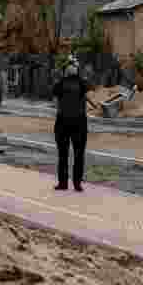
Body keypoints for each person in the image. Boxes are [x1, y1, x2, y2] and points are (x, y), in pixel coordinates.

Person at [51, 63, 92, 192]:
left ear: (65, 72)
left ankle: (63, 183)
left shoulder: (60, 83)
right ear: (76, 72)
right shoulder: (82, 83)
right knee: (79, 155)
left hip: (63, 121)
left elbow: (54, 97)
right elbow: (88, 88)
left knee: (63, 154)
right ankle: (77, 184)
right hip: (79, 122)